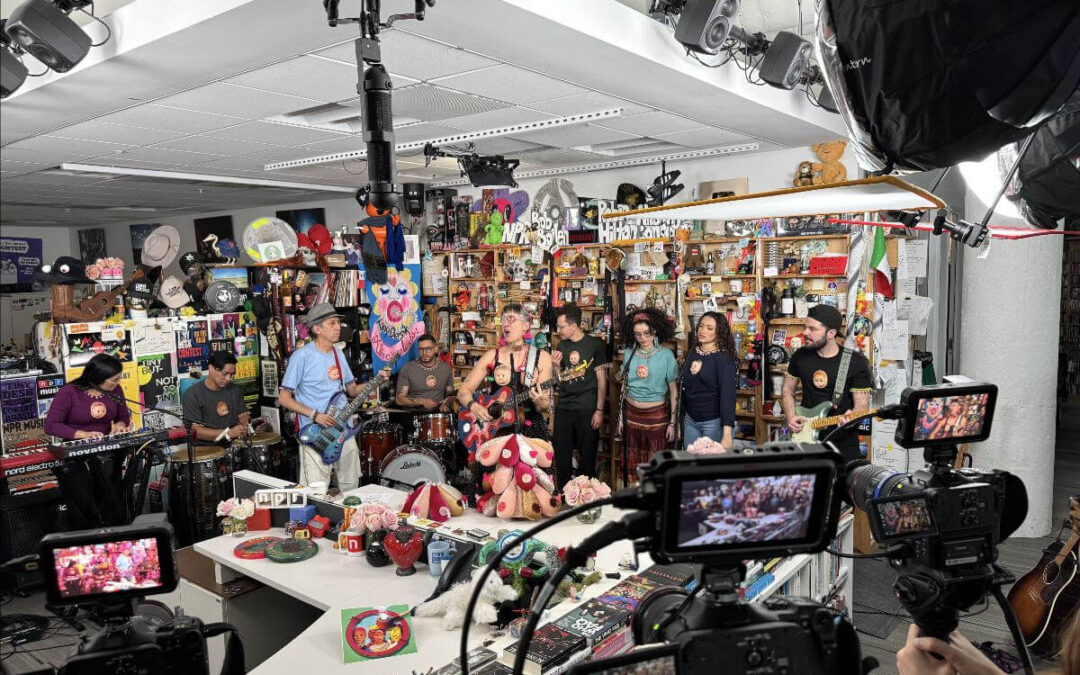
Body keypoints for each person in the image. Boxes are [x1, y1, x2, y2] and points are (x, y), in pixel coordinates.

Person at [278, 303, 384, 492]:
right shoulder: (301, 356)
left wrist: (377, 382)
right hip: (315, 432)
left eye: (338, 323)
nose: (338, 327)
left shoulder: (338, 354)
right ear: (317, 329)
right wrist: (314, 415)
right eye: (332, 323)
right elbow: (284, 398)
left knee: (350, 485)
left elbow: (351, 391)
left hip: (344, 429)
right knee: (316, 489)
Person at [781, 304, 872, 463]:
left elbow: (861, 407)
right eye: (805, 327)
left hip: (842, 446)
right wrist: (790, 416)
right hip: (806, 441)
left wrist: (852, 418)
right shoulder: (800, 356)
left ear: (831, 333)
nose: (805, 333)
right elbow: (787, 391)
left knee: (842, 488)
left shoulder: (855, 362)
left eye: (812, 329)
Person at [457, 303, 553, 448]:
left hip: (530, 432)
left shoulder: (542, 357)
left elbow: (542, 407)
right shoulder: (492, 356)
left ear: (526, 326)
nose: (506, 324)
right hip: (497, 432)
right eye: (503, 320)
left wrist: (543, 403)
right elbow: (463, 391)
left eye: (511, 319)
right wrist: (475, 407)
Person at [551, 303, 608, 486]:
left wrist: (599, 410)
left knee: (588, 454)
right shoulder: (561, 345)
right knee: (561, 454)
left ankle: (587, 497)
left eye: (561, 326)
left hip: (587, 408)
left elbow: (602, 380)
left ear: (573, 326)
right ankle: (562, 493)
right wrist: (555, 367)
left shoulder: (595, 345)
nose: (558, 330)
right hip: (565, 407)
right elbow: (559, 381)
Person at [615, 308, 678, 470]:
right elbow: (624, 386)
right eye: (638, 334)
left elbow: (673, 391)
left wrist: (673, 423)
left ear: (655, 330)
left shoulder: (666, 355)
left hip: (656, 418)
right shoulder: (629, 353)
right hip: (631, 415)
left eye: (646, 333)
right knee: (632, 465)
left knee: (655, 465)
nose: (642, 338)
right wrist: (621, 418)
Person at [679, 311, 737, 449]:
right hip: (690, 420)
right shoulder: (693, 352)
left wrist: (727, 434)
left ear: (719, 332)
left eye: (709, 328)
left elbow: (727, 398)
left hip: (713, 422)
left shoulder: (724, 360)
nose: (702, 330)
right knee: (690, 464)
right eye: (701, 326)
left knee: (709, 467)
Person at [44, 353, 131, 440]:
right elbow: (51, 425)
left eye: (120, 378)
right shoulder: (68, 392)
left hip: (106, 443)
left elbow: (123, 417)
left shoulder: (116, 389)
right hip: (76, 445)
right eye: (115, 380)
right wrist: (84, 435)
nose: (118, 382)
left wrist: (120, 425)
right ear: (99, 378)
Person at [182, 351, 251, 445]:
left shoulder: (235, 389)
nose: (228, 379)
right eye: (224, 373)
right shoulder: (192, 394)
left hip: (235, 447)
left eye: (231, 375)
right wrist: (228, 433)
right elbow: (196, 431)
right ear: (211, 368)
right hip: (207, 452)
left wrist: (245, 423)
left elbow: (243, 415)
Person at [395, 333, 454, 411]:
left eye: (428, 349)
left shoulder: (446, 368)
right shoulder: (408, 368)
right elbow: (399, 400)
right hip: (415, 415)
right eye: (421, 349)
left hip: (438, 415)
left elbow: (450, 395)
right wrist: (421, 401)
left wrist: (446, 404)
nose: (424, 353)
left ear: (436, 348)